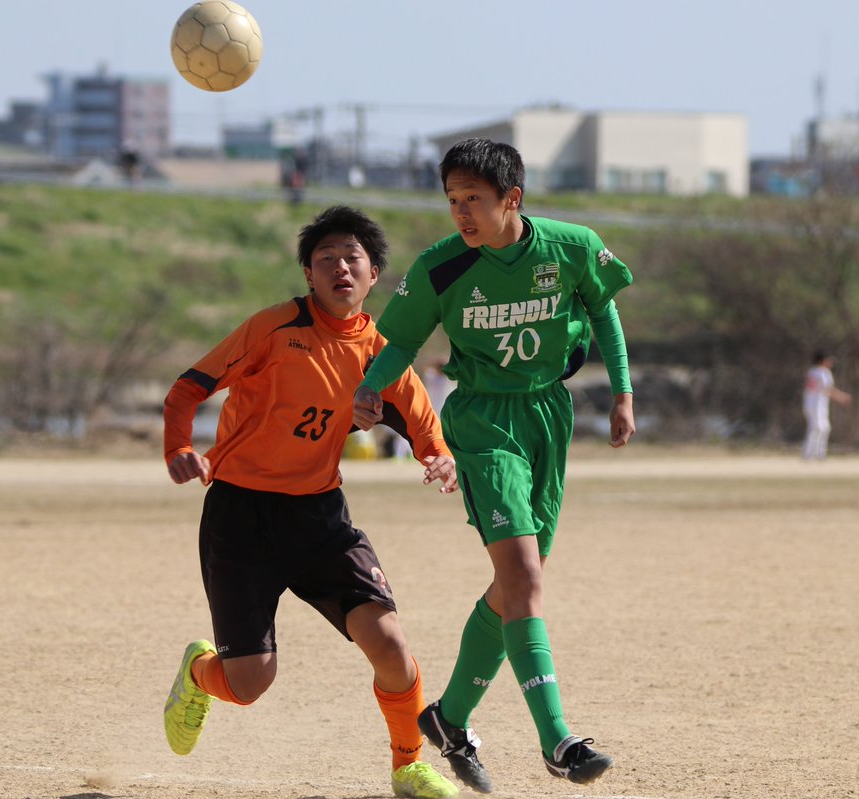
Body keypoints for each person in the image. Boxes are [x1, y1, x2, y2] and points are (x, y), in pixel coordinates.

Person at [353, 137, 635, 792]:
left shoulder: (568, 246)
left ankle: (450, 718)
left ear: (512, 199)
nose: (461, 214)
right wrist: (372, 387)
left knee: (514, 588)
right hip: (481, 423)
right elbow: (399, 342)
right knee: (524, 576)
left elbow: (605, 309)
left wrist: (622, 392)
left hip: (547, 416)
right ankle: (557, 739)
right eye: (453, 201)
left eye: (473, 200)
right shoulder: (441, 267)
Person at [162, 205, 460, 799]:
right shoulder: (273, 328)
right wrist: (179, 449)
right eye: (325, 259)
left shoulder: (385, 350)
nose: (340, 268)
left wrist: (441, 458)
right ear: (308, 275)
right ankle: (199, 675)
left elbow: (429, 433)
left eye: (353, 258)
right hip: (240, 516)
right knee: (248, 684)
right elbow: (186, 390)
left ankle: (408, 766)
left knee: (391, 645)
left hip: (319, 517)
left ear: (375, 274)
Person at [802, 350, 851, 460]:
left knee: (824, 427)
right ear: (822, 361)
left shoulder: (812, 371)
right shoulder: (823, 372)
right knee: (817, 428)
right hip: (817, 405)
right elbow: (828, 389)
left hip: (811, 404)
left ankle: (819, 454)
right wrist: (842, 397)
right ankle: (809, 455)